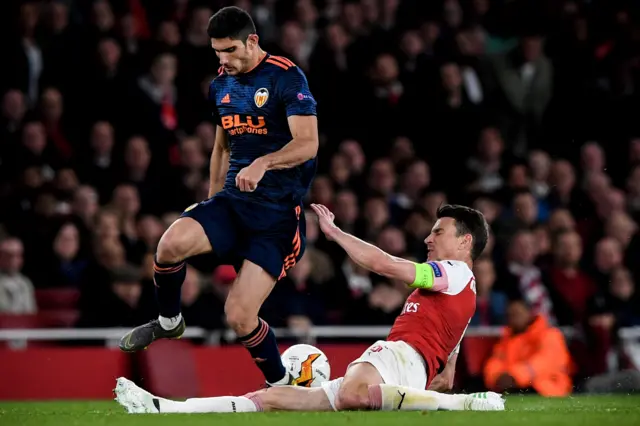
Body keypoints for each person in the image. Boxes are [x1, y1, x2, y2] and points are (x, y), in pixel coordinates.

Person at [114, 203, 505, 413]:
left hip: (398, 356)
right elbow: (445, 374)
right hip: (406, 373)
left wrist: (336, 234)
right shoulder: (464, 297)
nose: (428, 237)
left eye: (438, 231)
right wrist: (422, 393)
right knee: (271, 399)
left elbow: (387, 265)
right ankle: (165, 409)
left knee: (353, 394)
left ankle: (467, 405)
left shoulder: (452, 271)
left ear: (466, 242)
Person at [118, 6, 319, 387]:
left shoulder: (286, 76)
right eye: (217, 53)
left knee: (240, 316)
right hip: (233, 203)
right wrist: (212, 201)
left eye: (230, 50)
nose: (223, 60)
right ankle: (168, 322)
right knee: (170, 243)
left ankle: (282, 387)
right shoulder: (221, 85)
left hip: (276, 219)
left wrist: (264, 163)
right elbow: (222, 148)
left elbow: (308, 144)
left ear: (252, 41)